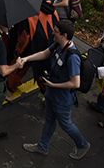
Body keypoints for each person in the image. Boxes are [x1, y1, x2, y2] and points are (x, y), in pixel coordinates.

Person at [20, 19, 91, 160]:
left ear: (64, 35)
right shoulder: (58, 44)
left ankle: (82, 144)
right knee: (49, 120)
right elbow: (45, 53)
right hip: (52, 92)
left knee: (66, 124)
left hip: (62, 97)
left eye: (56, 32)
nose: (53, 33)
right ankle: (42, 146)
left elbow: (75, 83)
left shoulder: (72, 57)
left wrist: (53, 85)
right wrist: (26, 59)